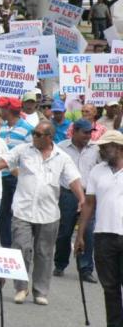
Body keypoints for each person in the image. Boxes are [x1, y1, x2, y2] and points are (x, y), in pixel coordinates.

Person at [0, 121, 84, 306]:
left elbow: (73, 179)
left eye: (38, 134)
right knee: (20, 248)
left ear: (49, 137)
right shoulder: (23, 150)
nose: (34, 137)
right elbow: (2, 162)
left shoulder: (62, 157)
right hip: (23, 210)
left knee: (44, 253)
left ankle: (40, 291)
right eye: (33, 133)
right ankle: (21, 288)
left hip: (49, 214)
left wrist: (82, 198)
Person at [75, 130, 123, 327]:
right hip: (104, 235)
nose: (102, 150)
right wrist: (80, 234)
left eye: (106, 147)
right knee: (110, 286)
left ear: (119, 148)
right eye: (101, 147)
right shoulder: (97, 171)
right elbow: (89, 204)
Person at [56, 119, 100, 283]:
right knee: (65, 232)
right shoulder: (61, 147)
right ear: (74, 131)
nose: (88, 136)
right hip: (67, 195)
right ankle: (60, 263)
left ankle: (86, 268)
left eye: (90, 132)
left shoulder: (96, 150)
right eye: (85, 132)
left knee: (88, 232)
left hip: (89, 196)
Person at [0, 97, 34, 247]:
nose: (0, 111)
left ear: (8, 111)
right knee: (2, 214)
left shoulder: (28, 129)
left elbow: (32, 154)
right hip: (0, 177)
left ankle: (19, 245)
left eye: (2, 109)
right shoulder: (1, 127)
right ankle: (6, 247)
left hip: (17, 178)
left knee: (17, 214)